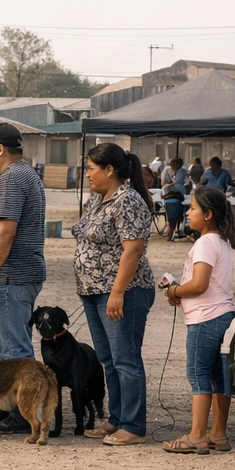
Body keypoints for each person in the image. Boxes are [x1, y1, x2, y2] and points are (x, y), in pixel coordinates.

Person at [71, 142, 156, 446]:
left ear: (109, 169)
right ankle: (118, 418)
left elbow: (133, 250)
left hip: (124, 292)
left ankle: (133, 426)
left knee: (125, 359)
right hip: (94, 290)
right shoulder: (98, 199)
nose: (86, 174)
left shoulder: (128, 201)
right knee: (108, 359)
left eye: (91, 169)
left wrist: (117, 292)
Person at [0, 123, 49, 435]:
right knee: (11, 346)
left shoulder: (13, 178)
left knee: (15, 350)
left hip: (10, 275)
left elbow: (5, 231)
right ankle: (17, 408)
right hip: (17, 273)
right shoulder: (22, 174)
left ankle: (24, 413)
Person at [161, 186, 235, 454]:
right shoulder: (223, 241)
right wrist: (180, 292)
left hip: (205, 318)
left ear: (207, 214)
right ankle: (218, 433)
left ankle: (196, 435)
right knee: (218, 375)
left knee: (197, 373)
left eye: (192, 208)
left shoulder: (204, 242)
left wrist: (174, 291)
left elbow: (199, 285)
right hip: (224, 314)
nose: (187, 212)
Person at [160, 157, 188, 241]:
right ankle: (171, 229)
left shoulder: (181, 172)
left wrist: (168, 186)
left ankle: (173, 230)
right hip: (172, 194)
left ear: (177, 164)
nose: (171, 166)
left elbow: (178, 183)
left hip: (178, 192)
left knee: (174, 211)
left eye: (172, 164)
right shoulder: (172, 171)